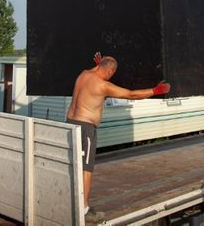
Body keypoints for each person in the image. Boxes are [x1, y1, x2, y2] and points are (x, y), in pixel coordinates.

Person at [66, 52, 170, 215]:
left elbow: (99, 69)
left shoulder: (83, 74)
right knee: (86, 167)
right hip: (85, 127)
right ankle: (83, 206)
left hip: (70, 124)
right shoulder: (103, 86)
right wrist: (155, 90)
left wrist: (100, 64)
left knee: (73, 164)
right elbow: (130, 94)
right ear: (110, 72)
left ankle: (71, 199)